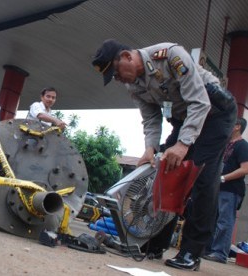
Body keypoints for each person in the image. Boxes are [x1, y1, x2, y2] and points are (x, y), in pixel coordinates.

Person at [92, 39, 237, 271]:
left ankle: (191, 252)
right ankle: (155, 244)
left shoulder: (170, 56)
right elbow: (151, 118)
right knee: (165, 171)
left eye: (117, 72)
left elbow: (200, 103)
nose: (118, 80)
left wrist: (182, 144)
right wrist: (150, 148)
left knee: (201, 177)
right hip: (184, 118)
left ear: (128, 57)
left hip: (215, 111)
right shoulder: (133, 85)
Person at [204, 118, 248, 264]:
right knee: (212, 220)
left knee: (225, 221)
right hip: (217, 188)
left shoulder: (242, 146)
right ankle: (209, 249)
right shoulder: (225, 145)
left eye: (230, 124)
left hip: (231, 189)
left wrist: (223, 178)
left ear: (237, 127)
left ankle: (219, 253)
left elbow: (245, 169)